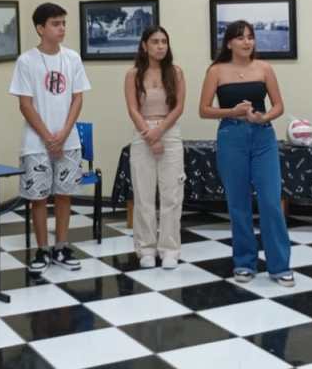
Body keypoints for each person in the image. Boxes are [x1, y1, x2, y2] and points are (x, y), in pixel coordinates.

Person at [199, 20, 293, 287]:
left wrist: (263, 117)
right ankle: (244, 262)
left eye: (250, 37)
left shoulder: (264, 68)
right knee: (238, 203)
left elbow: (278, 105)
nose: (247, 42)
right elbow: (204, 109)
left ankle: (280, 266)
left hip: (263, 137)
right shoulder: (216, 71)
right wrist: (232, 112)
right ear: (229, 43)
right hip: (231, 137)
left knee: (271, 202)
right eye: (240, 38)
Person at [10, 3, 91, 273]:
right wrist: (48, 138)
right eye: (56, 24)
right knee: (39, 198)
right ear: (40, 28)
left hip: (68, 140)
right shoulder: (26, 61)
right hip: (36, 143)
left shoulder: (72, 58)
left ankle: (61, 246)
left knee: (65, 195)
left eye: (63, 23)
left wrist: (64, 133)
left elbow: (78, 98)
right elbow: (25, 105)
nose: (62, 28)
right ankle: (42, 249)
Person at [124, 26, 186, 269]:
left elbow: (179, 107)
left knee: (171, 195)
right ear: (144, 45)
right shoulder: (133, 74)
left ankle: (169, 249)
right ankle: (146, 248)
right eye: (155, 41)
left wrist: (159, 132)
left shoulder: (176, 72)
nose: (160, 46)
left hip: (169, 132)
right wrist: (149, 135)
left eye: (164, 42)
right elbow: (132, 109)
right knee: (144, 195)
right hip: (143, 134)